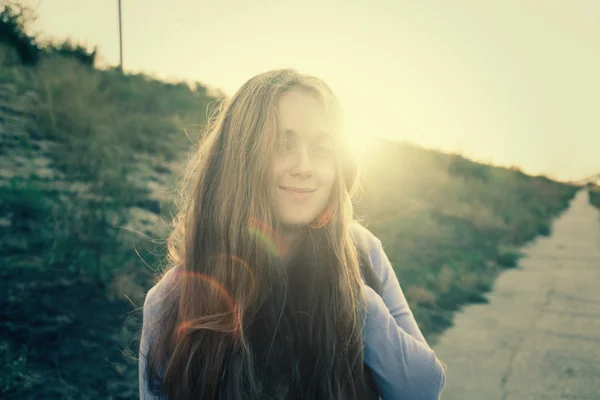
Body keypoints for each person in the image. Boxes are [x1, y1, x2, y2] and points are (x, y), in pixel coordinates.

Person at [138, 68, 446, 399]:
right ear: (242, 158)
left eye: (322, 149)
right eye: (282, 145)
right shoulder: (173, 297)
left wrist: (348, 293)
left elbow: (423, 388)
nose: (304, 166)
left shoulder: (362, 250)